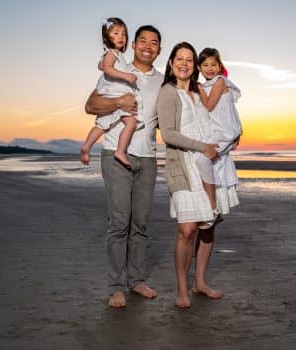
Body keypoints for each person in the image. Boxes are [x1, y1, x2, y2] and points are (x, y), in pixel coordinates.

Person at [84, 25, 163, 308]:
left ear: (159, 49)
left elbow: (171, 121)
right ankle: (117, 286)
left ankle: (137, 280)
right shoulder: (117, 69)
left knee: (140, 224)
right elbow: (90, 106)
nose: (147, 46)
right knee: (119, 223)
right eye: (142, 41)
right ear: (133, 45)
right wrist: (119, 101)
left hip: (148, 158)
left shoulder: (163, 82)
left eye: (154, 43)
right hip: (115, 156)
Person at [157, 42, 239, 308]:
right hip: (183, 164)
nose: (184, 63)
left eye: (189, 60)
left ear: (194, 66)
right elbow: (168, 134)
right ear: (171, 63)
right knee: (186, 229)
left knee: (208, 228)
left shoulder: (199, 90)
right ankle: (182, 287)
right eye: (179, 59)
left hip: (212, 163)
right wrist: (202, 147)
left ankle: (200, 282)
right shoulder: (168, 93)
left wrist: (238, 132)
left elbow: (222, 115)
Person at [80, 17, 142, 170]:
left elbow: (103, 66)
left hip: (114, 94)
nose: (121, 37)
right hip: (114, 95)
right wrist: (126, 76)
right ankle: (120, 152)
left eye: (123, 34)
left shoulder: (116, 55)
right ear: (107, 37)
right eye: (116, 33)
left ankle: (86, 147)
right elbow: (107, 68)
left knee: (102, 125)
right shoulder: (113, 53)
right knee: (132, 122)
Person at [195, 47, 243, 229]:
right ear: (199, 67)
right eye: (205, 65)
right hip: (220, 130)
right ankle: (219, 209)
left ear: (219, 65)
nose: (209, 68)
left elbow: (208, 106)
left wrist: (198, 88)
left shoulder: (220, 81)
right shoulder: (209, 84)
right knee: (217, 166)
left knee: (202, 160)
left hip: (225, 131)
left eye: (213, 64)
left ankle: (213, 209)